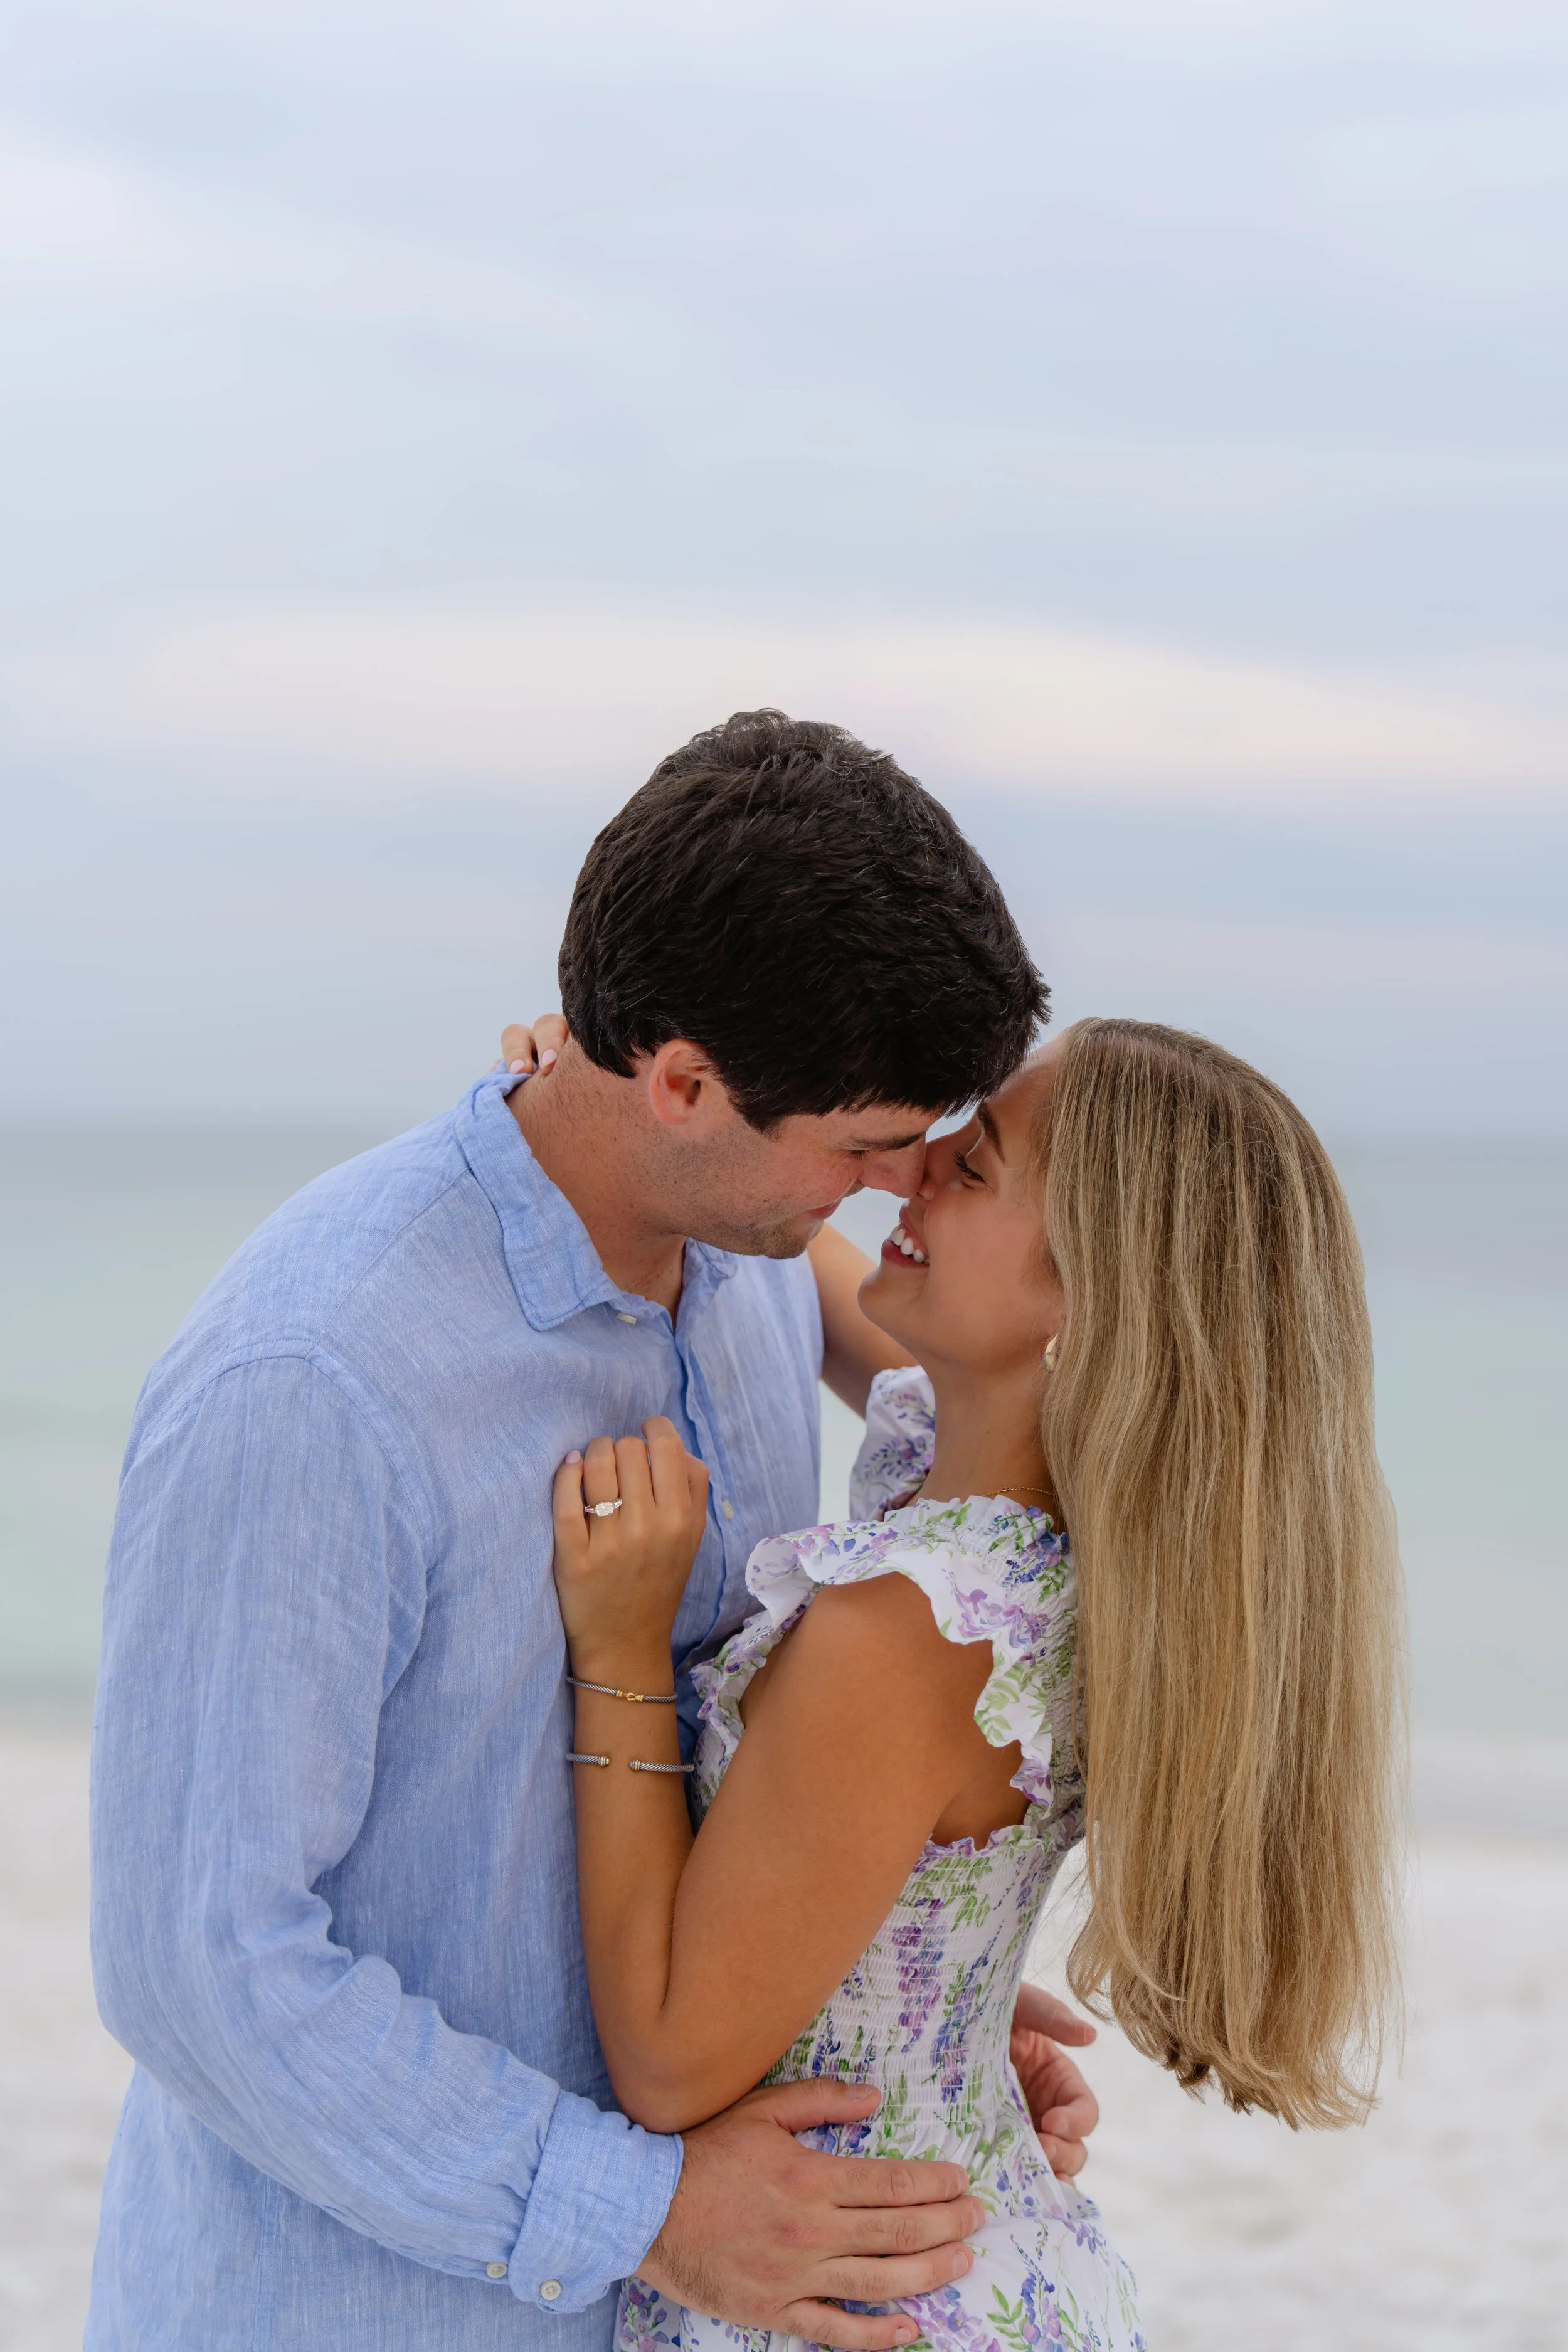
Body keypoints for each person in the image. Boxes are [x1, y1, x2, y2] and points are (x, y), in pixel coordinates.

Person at [88, 712, 1098, 2352]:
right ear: (685, 1081)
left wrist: (897, 1980)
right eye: (862, 1145)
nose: (893, 1189)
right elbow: (203, 1967)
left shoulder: (759, 1261)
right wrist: (645, 2210)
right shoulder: (315, 1376)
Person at [547, 1019, 1406, 2352]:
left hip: (853, 2296)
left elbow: (665, 2057)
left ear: (1086, 1301)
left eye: (978, 1164)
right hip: (975, 2253)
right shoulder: (1063, 1531)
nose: (919, 1164)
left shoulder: (908, 1629)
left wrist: (614, 1650)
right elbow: (775, 1231)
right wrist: (629, 1109)